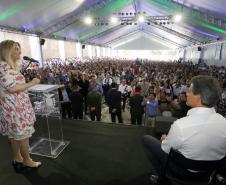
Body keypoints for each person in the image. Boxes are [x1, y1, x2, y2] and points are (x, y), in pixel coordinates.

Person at [143, 75, 226, 185]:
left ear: (199, 96)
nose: (186, 93)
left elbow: (166, 149)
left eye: (189, 91)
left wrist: (164, 139)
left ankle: (163, 178)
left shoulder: (181, 126)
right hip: (207, 174)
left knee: (146, 139)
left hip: (182, 173)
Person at [0, 40, 41, 172]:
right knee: (23, 136)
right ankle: (27, 160)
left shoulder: (8, 67)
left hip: (16, 106)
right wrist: (32, 82)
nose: (20, 51)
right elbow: (13, 88)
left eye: (19, 48)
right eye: (16, 49)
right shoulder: (3, 67)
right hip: (14, 107)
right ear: (7, 51)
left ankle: (17, 159)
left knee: (15, 136)